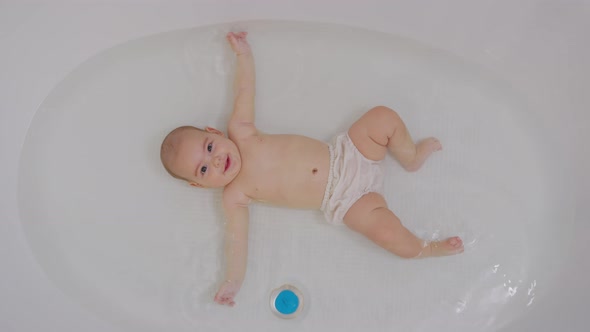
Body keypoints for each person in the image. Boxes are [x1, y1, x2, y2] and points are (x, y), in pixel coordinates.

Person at [160, 31, 464, 307]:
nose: (214, 161)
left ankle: (410, 157)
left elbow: (244, 91)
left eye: (209, 148)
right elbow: (236, 241)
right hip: (346, 199)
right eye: (202, 170)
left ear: (214, 132)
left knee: (382, 117)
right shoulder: (234, 195)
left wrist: (243, 55)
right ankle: (427, 248)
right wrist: (232, 281)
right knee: (389, 236)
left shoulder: (240, 130)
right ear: (200, 185)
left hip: (348, 154)